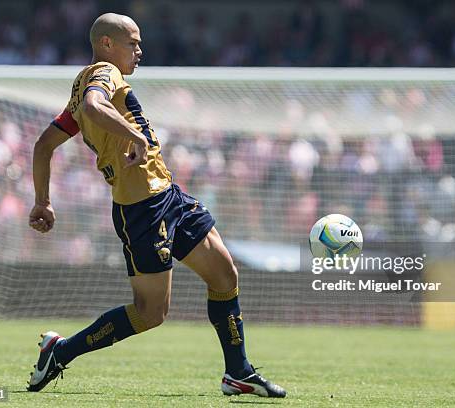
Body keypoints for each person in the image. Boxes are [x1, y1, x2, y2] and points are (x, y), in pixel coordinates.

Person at [26, 13, 286, 398]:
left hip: (168, 196)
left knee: (224, 275)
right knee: (150, 314)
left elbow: (43, 145)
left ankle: (239, 373)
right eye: (132, 42)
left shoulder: (76, 95)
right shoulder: (103, 73)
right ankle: (60, 351)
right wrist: (135, 136)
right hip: (141, 210)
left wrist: (43, 201)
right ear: (107, 44)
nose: (139, 50)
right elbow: (97, 107)